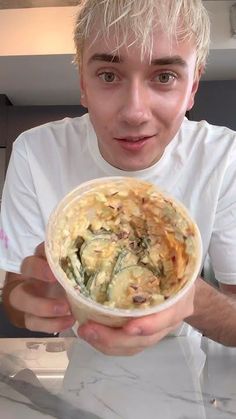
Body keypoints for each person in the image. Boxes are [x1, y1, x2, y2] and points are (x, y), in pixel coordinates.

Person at [0, 0, 236, 354]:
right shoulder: (35, 152)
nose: (134, 112)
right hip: (78, 370)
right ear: (83, 84)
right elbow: (14, 294)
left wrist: (193, 299)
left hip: (186, 374)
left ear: (192, 88)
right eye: (109, 76)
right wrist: (38, 300)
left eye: (165, 77)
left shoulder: (224, 157)